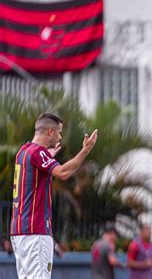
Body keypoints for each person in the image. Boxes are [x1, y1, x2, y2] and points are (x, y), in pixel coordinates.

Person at [10, 112, 98, 279]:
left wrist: (47, 159)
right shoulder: (38, 153)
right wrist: (86, 150)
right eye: (59, 131)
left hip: (19, 232)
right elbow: (63, 172)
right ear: (50, 131)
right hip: (35, 232)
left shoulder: (23, 152)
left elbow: (33, 176)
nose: (60, 136)